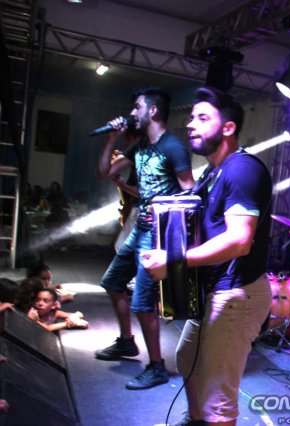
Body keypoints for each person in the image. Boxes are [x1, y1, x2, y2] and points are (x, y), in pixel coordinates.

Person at [142, 87, 273, 425]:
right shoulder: (214, 172)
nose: (190, 124)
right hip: (213, 291)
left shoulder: (242, 170)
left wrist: (173, 262)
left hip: (236, 295)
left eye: (202, 118)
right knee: (188, 359)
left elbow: (239, 240)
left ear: (228, 128)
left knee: (218, 399)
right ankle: (196, 420)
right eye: (191, 117)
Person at [94, 86, 195, 390]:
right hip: (140, 228)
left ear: (153, 110)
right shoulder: (139, 147)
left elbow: (190, 193)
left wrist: (169, 225)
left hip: (158, 235)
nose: (131, 113)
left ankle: (157, 367)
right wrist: (111, 139)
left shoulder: (173, 147)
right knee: (112, 282)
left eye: (137, 107)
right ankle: (127, 342)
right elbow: (103, 172)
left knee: (142, 303)